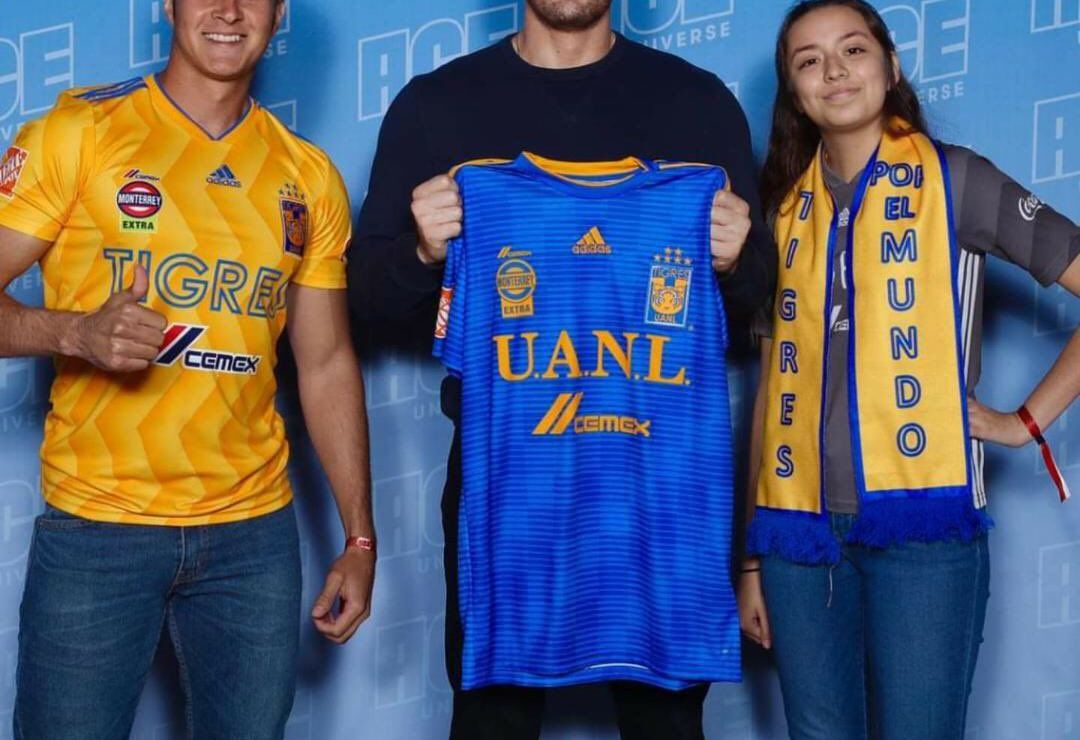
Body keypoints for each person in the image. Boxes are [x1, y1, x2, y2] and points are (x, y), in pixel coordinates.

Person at [347, 1, 774, 737]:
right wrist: (422, 251)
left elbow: (758, 300)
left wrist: (737, 261)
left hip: (658, 474)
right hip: (509, 471)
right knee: (493, 716)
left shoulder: (697, 104)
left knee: (667, 720)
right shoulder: (436, 106)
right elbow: (365, 304)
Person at [0, 1, 376, 737]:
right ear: (168, 4)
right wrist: (75, 332)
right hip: (99, 527)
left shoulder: (308, 176)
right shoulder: (79, 133)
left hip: (253, 541)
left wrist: (360, 539)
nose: (229, 11)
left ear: (280, 11)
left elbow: (327, 362)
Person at [738, 1, 1080, 739]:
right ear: (793, 91)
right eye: (808, 60)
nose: (834, 71)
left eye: (853, 50)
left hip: (926, 529)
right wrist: (753, 559)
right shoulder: (781, 216)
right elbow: (769, 389)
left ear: (890, 67)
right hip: (799, 538)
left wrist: (1023, 422)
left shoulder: (957, 180)